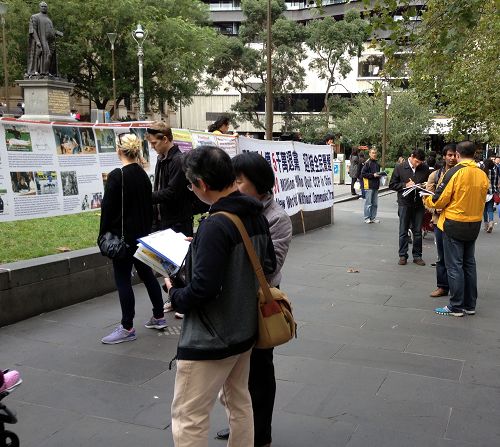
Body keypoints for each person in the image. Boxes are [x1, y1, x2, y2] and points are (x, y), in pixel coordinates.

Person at [164, 145, 276, 447]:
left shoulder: (216, 224)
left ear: (201, 185)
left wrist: (174, 293)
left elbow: (203, 289)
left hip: (211, 338)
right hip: (244, 331)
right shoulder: (255, 215)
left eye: (191, 184)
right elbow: (268, 265)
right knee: (240, 403)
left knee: (189, 416)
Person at [216, 152, 293, 447]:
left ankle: (260, 434)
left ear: (259, 184)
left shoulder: (277, 218)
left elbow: (271, 266)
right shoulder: (229, 212)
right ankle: (241, 426)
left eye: (240, 180)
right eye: (232, 179)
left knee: (259, 375)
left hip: (259, 307)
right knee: (233, 375)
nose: (234, 185)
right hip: (231, 305)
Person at [99, 133, 166, 344]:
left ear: (119, 150)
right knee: (147, 274)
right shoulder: (142, 174)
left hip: (123, 239)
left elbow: (107, 211)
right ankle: (158, 315)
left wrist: (102, 236)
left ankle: (127, 327)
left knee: (122, 280)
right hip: (141, 237)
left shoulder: (117, 176)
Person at [423, 141, 488, 316]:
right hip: (473, 223)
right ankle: (469, 304)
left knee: (454, 265)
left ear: (458, 155)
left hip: (453, 223)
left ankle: (456, 305)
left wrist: (426, 200)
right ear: (474, 154)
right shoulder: (482, 174)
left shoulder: (454, 172)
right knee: (469, 264)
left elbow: (439, 200)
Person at [146, 122, 194, 236]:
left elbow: (172, 192)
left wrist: (145, 197)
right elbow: (159, 186)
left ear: (165, 139)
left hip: (177, 225)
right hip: (162, 222)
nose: (152, 147)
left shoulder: (178, 161)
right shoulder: (160, 158)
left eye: (154, 143)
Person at [425, 144, 457, 297]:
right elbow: (427, 197)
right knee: (442, 256)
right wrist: (434, 209)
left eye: (454, 155)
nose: (452, 158)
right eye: (449, 155)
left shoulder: (462, 174)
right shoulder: (435, 175)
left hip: (457, 221)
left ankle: (457, 287)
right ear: (444, 156)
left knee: (458, 257)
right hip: (439, 221)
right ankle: (443, 286)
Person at [389, 148, 430, 266]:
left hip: (418, 204)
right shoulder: (400, 167)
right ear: (411, 157)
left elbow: (428, 183)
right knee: (403, 230)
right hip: (404, 203)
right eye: (416, 161)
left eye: (420, 162)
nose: (418, 164)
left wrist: (424, 186)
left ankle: (417, 256)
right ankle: (403, 255)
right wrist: (405, 185)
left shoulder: (424, 168)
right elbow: (392, 184)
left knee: (417, 231)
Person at [26, 2, 61, 77]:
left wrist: (56, 33)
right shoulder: (35, 17)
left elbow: (50, 30)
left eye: (45, 6)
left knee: (50, 56)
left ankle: (46, 71)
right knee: (46, 54)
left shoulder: (48, 19)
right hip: (42, 40)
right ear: (39, 7)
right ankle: (43, 72)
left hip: (50, 42)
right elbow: (33, 30)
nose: (44, 7)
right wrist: (38, 41)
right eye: (42, 6)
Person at [361, 148, 381, 223]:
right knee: (368, 203)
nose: (374, 154)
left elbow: (377, 173)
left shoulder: (377, 163)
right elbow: (363, 174)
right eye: (372, 153)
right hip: (369, 185)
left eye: (375, 153)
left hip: (375, 185)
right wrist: (373, 175)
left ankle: (373, 218)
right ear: (369, 154)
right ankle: (367, 218)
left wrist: (380, 175)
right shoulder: (367, 163)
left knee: (375, 204)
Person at [481, 159, 498, 233]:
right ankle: (491, 223)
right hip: (492, 193)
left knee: (484, 210)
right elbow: (497, 182)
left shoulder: (482, 171)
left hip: (483, 193)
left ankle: (486, 225)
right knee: (490, 209)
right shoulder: (495, 171)